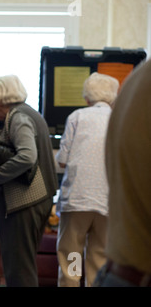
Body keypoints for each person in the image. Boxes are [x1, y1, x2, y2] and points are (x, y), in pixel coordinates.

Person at [0, 74, 58, 287]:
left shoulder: (18, 117)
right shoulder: (31, 113)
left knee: (19, 268)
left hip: (25, 201)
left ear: (1, 98)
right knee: (23, 264)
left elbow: (27, 156)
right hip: (36, 199)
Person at [55, 72, 119, 287]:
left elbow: (62, 160)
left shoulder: (77, 116)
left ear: (87, 97)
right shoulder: (120, 117)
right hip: (108, 200)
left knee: (72, 254)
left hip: (78, 198)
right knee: (99, 256)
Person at [93, 60, 151, 287]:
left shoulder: (139, 78)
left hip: (79, 202)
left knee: (71, 252)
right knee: (96, 251)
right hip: (102, 202)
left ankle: (69, 282)